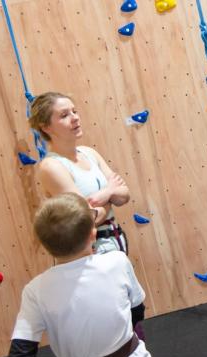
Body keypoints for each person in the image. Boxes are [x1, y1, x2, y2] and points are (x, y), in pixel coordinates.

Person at [8, 193, 150, 357]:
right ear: (92, 234)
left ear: (44, 245)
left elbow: (20, 353)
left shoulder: (35, 290)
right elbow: (137, 310)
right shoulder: (117, 261)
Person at [28, 92, 131, 254]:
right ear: (46, 127)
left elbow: (124, 194)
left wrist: (105, 194)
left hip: (116, 241)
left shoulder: (89, 153)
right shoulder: (52, 167)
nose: (75, 117)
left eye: (74, 111)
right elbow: (84, 220)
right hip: (90, 252)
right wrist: (111, 192)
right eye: (64, 115)